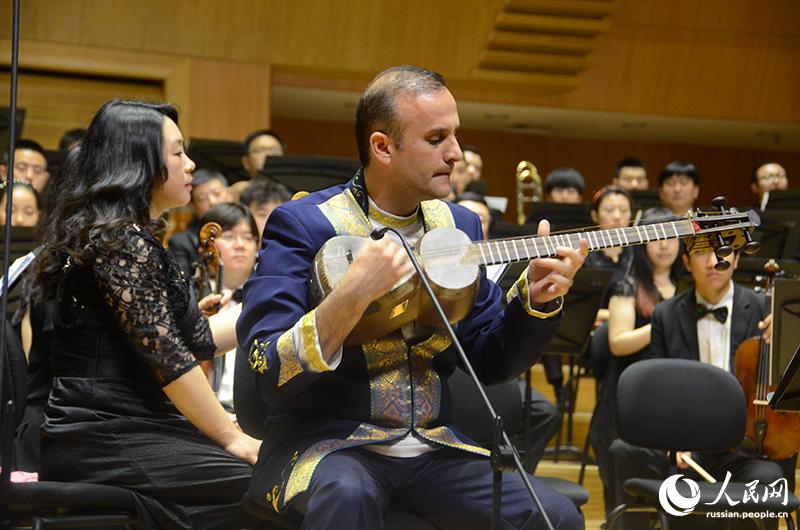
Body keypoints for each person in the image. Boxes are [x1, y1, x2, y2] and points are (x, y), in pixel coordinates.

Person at [237, 65, 585, 529]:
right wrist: (350, 298)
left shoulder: (459, 225)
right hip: (326, 445)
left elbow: (490, 360)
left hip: (436, 449)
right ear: (382, 146)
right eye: (437, 138)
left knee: (555, 516)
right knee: (347, 494)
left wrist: (535, 302)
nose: (456, 153)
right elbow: (266, 366)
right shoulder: (303, 223)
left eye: (455, 136)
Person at [32, 99, 260, 530]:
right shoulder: (120, 243)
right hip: (100, 432)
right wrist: (233, 438)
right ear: (139, 162)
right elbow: (170, 360)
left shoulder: (134, 239)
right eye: (178, 153)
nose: (190, 164)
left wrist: (279, 307)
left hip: (130, 424)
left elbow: (198, 339)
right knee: (263, 482)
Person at [607, 246, 793, 530]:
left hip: (741, 450)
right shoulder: (665, 315)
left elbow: (783, 386)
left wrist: (786, 338)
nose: (712, 262)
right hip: (684, 446)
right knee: (624, 451)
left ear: (737, 259)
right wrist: (673, 440)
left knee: (767, 476)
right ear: (686, 262)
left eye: (723, 252)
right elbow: (658, 394)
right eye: (701, 253)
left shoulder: (763, 310)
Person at [588, 206, 683, 514]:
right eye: (657, 238)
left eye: (671, 237)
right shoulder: (626, 284)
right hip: (628, 399)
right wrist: (662, 321)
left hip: (673, 399)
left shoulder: (688, 287)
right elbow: (617, 343)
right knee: (628, 498)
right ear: (643, 242)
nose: (665, 245)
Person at [195, 203, 259, 411]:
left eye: (248, 237)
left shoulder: (268, 297)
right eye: (230, 237)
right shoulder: (189, 297)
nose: (240, 245)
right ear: (206, 247)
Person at [167, 168, 232, 279]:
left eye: (216, 194)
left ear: (229, 194)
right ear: (193, 207)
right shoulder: (182, 242)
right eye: (202, 199)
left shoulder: (246, 231)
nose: (212, 202)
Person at [228, 129, 286, 200]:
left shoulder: (294, 192)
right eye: (259, 150)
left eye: (274, 150)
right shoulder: (238, 191)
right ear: (246, 162)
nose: (267, 155)